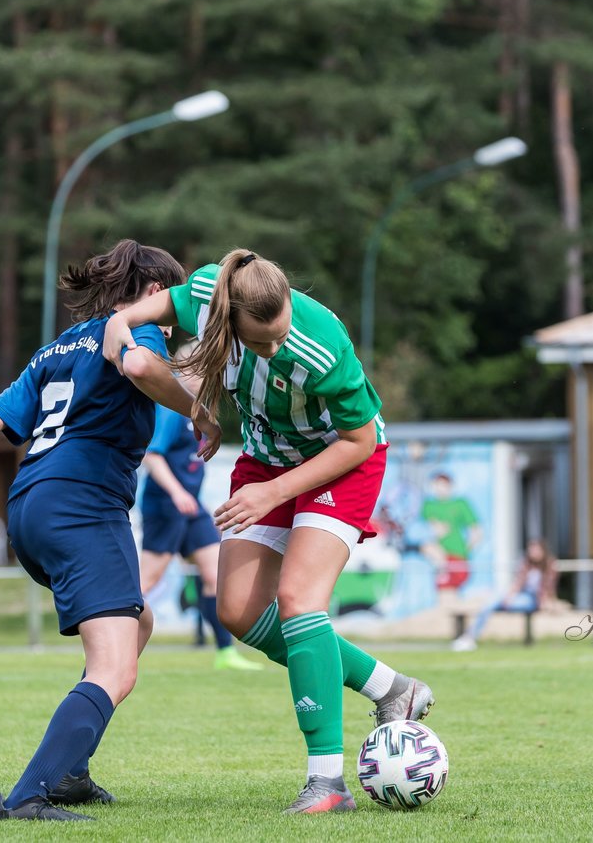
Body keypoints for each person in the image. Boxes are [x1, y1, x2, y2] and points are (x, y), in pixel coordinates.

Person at [0, 239, 218, 822]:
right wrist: (198, 412)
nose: (172, 318)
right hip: (82, 506)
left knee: (139, 621)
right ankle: (30, 794)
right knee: (116, 667)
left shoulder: (54, 348)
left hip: (29, 505)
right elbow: (138, 364)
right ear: (155, 294)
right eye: (172, 305)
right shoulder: (135, 327)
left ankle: (72, 772)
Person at [104, 248, 434, 814]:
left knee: (299, 601)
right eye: (260, 342)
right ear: (226, 318)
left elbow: (357, 442)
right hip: (266, 460)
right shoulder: (210, 295)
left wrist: (274, 493)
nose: (274, 349)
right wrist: (118, 330)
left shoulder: (322, 342)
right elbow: (130, 317)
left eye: (279, 334)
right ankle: (390, 688)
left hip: (342, 461)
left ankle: (327, 783)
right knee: (237, 611)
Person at [139, 341, 261, 671]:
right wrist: (178, 493)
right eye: (201, 368)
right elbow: (152, 455)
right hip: (166, 505)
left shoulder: (200, 410)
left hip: (191, 509)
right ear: (183, 371)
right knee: (145, 582)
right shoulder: (170, 408)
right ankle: (109, 644)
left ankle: (225, 653)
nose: (207, 375)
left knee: (214, 573)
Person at [452, 538, 556, 651]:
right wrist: (509, 596)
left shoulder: (549, 565)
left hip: (534, 600)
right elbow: (518, 583)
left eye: (535, 550)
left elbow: (548, 588)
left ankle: (468, 638)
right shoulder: (526, 563)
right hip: (521, 596)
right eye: (531, 550)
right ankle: (469, 637)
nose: (533, 553)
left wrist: (548, 603)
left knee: (495, 602)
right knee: (490, 603)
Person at [421, 472, 481, 590]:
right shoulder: (428, 505)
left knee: (449, 596)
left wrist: (465, 550)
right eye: (438, 485)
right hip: (438, 559)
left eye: (444, 485)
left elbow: (476, 532)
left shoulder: (460, 504)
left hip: (457, 557)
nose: (440, 488)